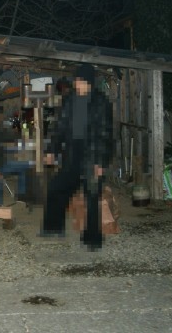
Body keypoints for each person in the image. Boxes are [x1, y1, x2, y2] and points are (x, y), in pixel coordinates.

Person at [42, 64, 113, 250]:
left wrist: (100, 162)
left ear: (89, 82)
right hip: (72, 152)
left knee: (92, 195)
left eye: (80, 81)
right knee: (57, 187)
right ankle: (53, 227)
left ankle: (92, 239)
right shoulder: (69, 100)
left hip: (92, 153)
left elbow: (105, 134)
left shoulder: (100, 102)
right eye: (76, 80)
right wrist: (51, 151)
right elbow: (60, 128)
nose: (77, 84)